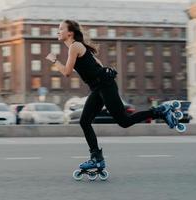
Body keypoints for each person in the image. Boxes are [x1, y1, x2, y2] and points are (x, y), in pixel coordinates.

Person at [46, 20, 173, 170]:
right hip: (98, 88)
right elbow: (97, 63)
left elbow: (67, 72)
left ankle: (160, 112)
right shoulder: (78, 47)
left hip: (105, 86)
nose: (57, 31)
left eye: (60, 29)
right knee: (84, 121)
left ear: (70, 33)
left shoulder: (74, 46)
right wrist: (102, 72)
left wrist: (54, 60)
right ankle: (96, 158)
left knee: (124, 121)